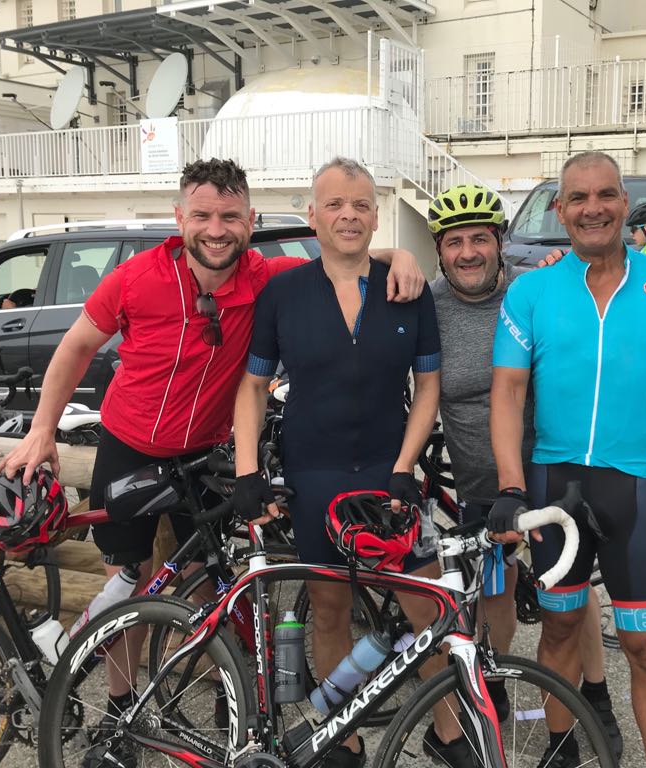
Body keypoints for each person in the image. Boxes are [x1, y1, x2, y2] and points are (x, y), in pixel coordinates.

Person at [0, 158, 423, 759]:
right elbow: (75, 347)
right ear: (180, 218)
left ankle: (229, 692)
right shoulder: (136, 277)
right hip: (130, 446)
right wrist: (43, 429)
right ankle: (120, 705)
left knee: (214, 579)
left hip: (205, 455)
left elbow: (341, 252)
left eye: (229, 216)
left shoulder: (265, 276)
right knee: (130, 580)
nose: (216, 229)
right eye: (202, 215)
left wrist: (399, 256)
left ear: (250, 220)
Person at [231, 157, 472, 768]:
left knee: (426, 607)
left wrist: (405, 465)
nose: (348, 215)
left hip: (390, 471)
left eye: (361, 205)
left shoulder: (406, 289)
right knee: (330, 608)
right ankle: (345, 739)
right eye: (335, 204)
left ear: (375, 216)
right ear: (313, 216)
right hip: (314, 472)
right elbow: (254, 386)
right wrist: (247, 471)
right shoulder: (283, 293)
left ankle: (448, 732)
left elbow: (429, 387)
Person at [489, 151, 646, 768]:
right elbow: (508, 392)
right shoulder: (532, 290)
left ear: (624, 203)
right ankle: (561, 750)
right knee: (559, 628)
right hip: (552, 484)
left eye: (605, 195)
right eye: (579, 197)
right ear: (560, 209)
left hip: (633, 487)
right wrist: (510, 485)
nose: (593, 208)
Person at [427, 182, 624, 758]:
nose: (468, 252)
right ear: (439, 251)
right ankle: (495, 681)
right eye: (454, 242)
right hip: (479, 482)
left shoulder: (536, 288)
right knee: (495, 590)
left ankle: (595, 695)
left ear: (500, 242)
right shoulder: (427, 305)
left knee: (570, 589)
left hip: (548, 471)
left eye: (480, 239)